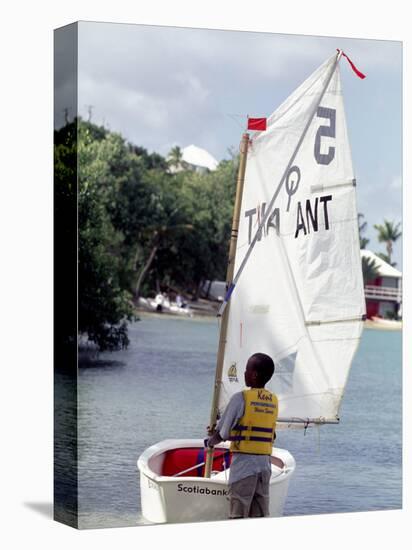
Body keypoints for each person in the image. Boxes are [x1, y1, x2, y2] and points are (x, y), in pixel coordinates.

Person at [205, 353, 278, 519]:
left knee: (237, 516)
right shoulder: (273, 400)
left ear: (254, 374)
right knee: (259, 516)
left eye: (246, 370)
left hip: (244, 468)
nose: (244, 373)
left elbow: (221, 434)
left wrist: (209, 441)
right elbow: (269, 436)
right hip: (264, 468)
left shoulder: (240, 398)